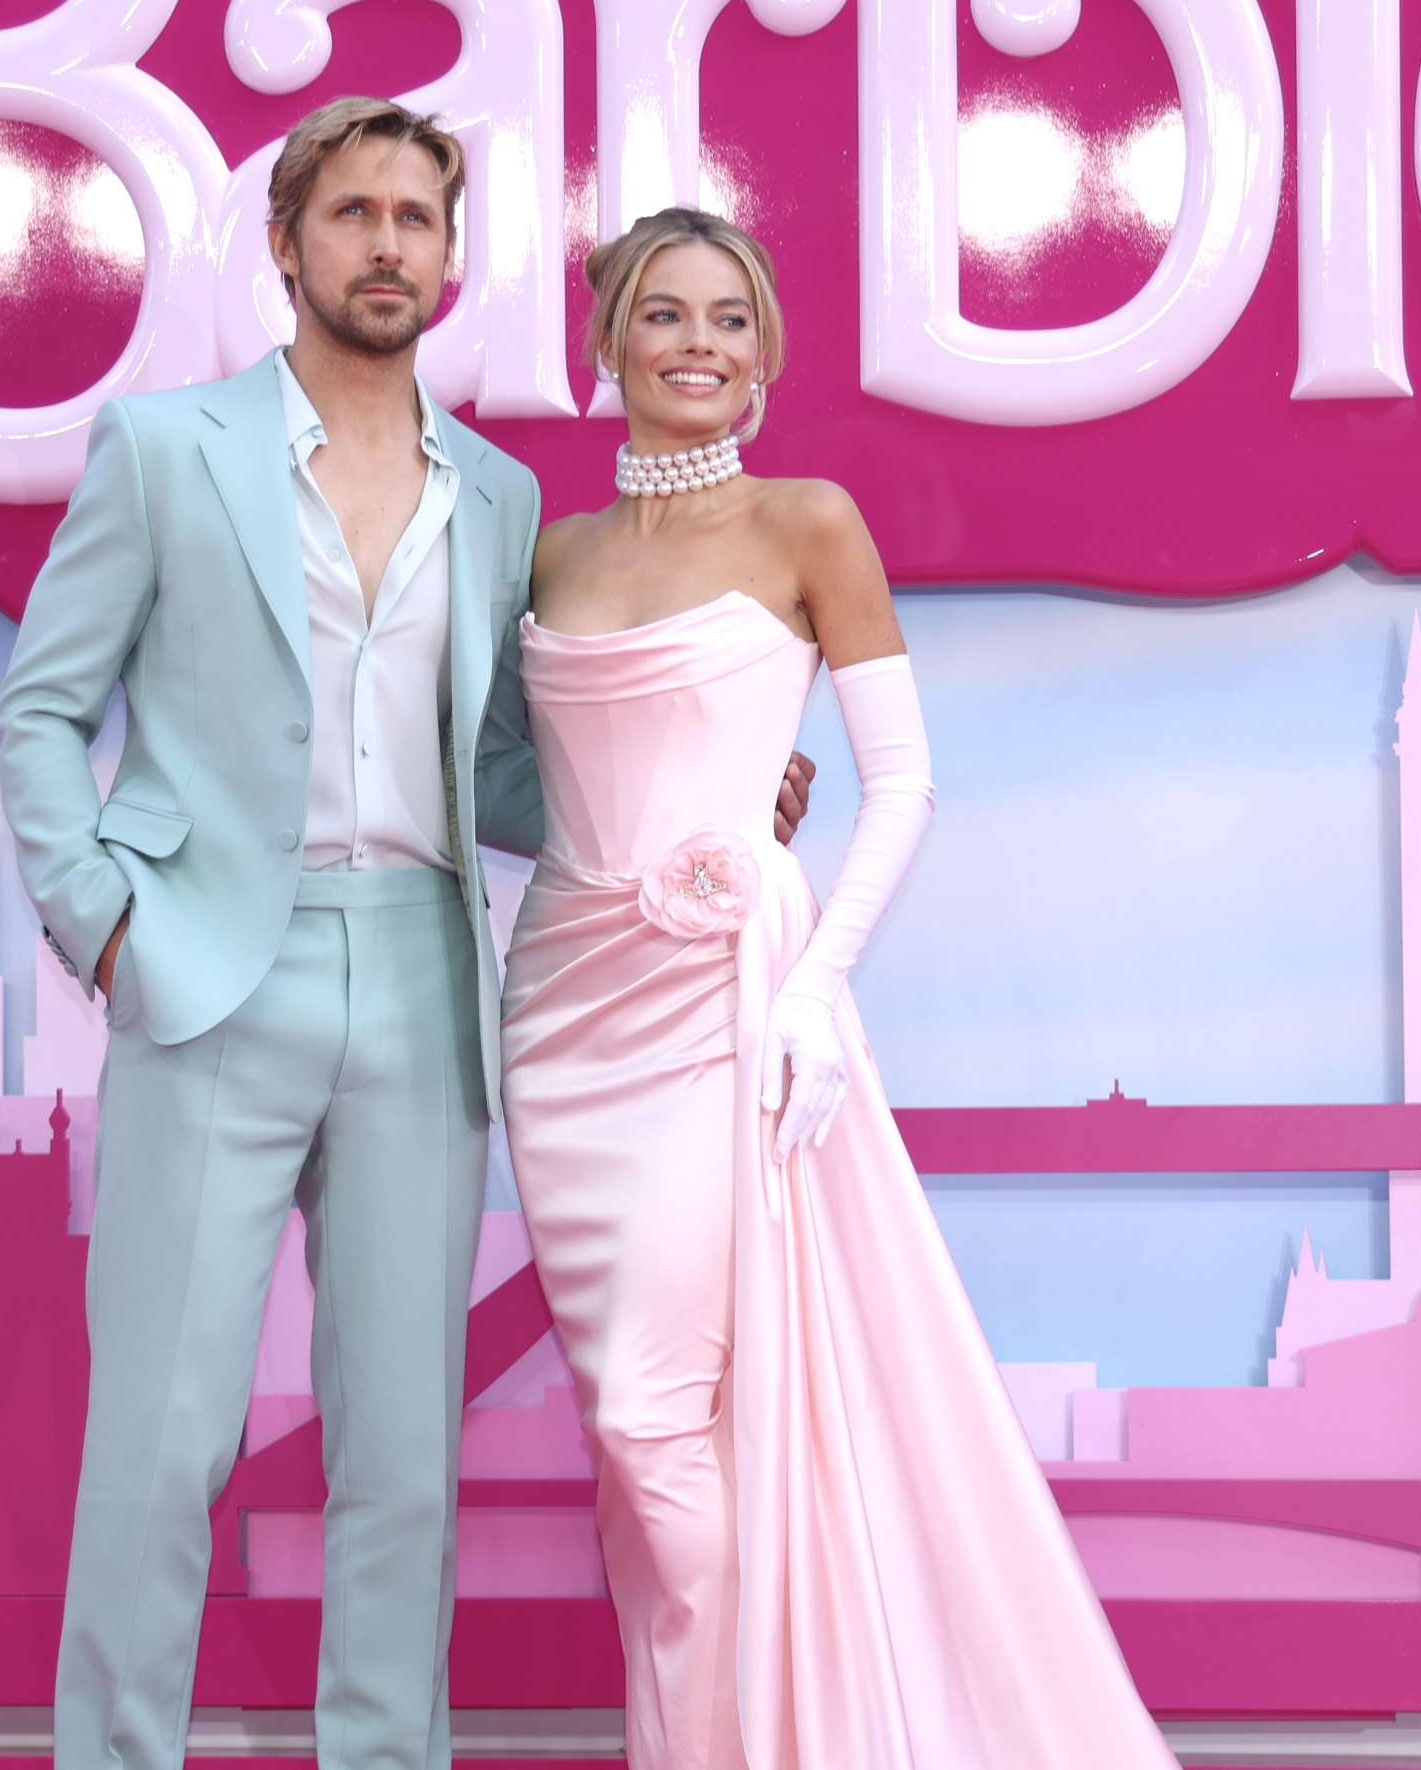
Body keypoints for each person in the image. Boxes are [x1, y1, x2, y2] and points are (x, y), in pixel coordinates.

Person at [0, 103, 806, 1770]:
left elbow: (511, 768)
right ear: (284, 246)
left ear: (450, 258)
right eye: (351, 213)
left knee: (402, 1462)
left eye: (414, 218)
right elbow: (39, 712)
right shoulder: (163, 450)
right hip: (209, 971)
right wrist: (103, 930)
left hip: (427, 982)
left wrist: (697, 790)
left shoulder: (497, 492)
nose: (384, 244)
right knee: (163, 1442)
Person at [501, 208, 1176, 1770]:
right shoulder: (547, 553)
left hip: (727, 1006)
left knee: (653, 1420)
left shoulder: (808, 521)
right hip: (560, 1012)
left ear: (763, 353)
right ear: (609, 344)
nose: (696, 345)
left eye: (729, 320)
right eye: (661, 315)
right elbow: (528, 776)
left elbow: (908, 782)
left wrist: (813, 986)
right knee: (637, 1434)